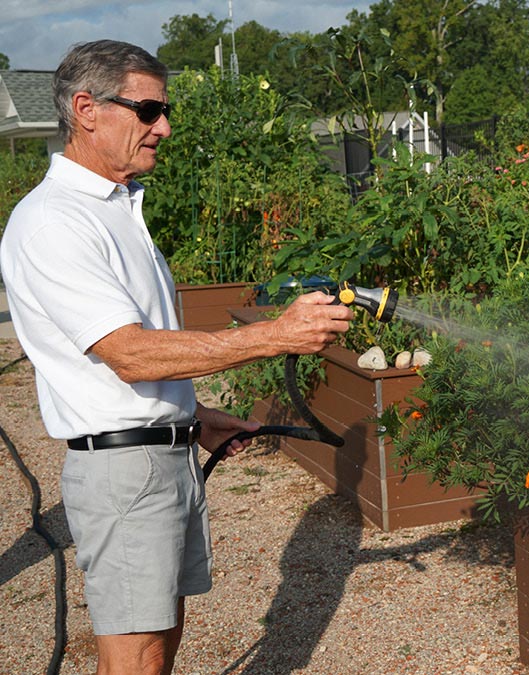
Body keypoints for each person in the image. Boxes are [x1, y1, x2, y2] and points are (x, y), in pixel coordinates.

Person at [0, 40, 353, 674]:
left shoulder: (115, 211)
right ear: (86, 108)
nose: (163, 125)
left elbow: (121, 365)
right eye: (148, 109)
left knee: (157, 646)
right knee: (135, 659)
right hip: (125, 478)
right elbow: (129, 354)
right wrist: (277, 335)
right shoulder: (56, 222)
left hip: (156, 458)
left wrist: (192, 417)